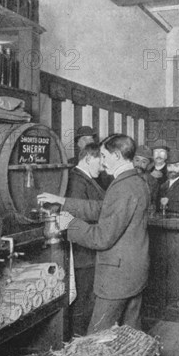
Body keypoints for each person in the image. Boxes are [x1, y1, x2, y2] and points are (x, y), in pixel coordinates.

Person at [38, 134, 151, 333]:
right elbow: (104, 208)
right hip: (134, 271)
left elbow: (102, 238)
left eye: (105, 156)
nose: (103, 161)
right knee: (131, 339)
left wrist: (70, 224)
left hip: (117, 275)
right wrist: (64, 201)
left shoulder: (122, 187)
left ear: (116, 155)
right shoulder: (136, 180)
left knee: (97, 339)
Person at [65, 142, 105, 336]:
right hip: (83, 254)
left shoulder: (86, 179)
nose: (103, 165)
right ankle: (79, 342)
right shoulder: (77, 180)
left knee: (88, 299)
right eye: (101, 160)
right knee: (83, 302)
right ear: (88, 158)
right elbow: (77, 215)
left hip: (89, 251)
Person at [68, 126, 113, 190]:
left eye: (91, 139)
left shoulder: (102, 162)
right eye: (84, 139)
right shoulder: (70, 163)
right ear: (78, 143)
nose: (88, 142)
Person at [157, 149, 179, 214]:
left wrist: (168, 203)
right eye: (169, 165)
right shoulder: (163, 185)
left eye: (176, 166)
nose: (172, 169)